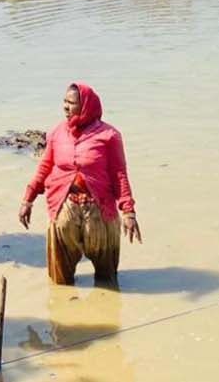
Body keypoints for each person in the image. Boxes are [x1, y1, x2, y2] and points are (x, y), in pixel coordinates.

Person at [19, 83, 141, 286]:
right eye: (64, 102)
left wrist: (128, 212)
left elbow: (119, 174)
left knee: (107, 280)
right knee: (60, 281)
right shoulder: (56, 133)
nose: (65, 107)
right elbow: (45, 167)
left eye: (71, 103)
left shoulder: (109, 136)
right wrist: (27, 200)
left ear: (85, 106)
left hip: (99, 214)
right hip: (64, 208)